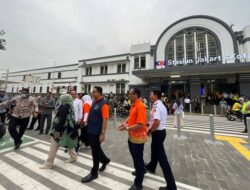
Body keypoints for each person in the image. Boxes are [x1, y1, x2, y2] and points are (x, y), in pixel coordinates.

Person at [145, 90, 177, 190]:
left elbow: (157, 122)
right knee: (154, 150)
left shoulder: (156, 106)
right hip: (161, 132)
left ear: (155, 96)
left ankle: (171, 186)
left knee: (162, 159)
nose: (149, 96)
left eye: (151, 94)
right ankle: (152, 166)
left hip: (158, 132)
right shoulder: (162, 105)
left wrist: (150, 130)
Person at [39, 94, 78, 169]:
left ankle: (49, 163)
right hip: (68, 129)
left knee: (54, 145)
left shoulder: (65, 106)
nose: (60, 99)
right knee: (68, 142)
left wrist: (58, 130)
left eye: (61, 98)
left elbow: (62, 119)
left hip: (61, 129)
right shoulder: (70, 105)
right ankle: (73, 156)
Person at [118, 88, 147, 190]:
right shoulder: (134, 104)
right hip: (132, 137)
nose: (128, 96)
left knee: (137, 159)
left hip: (138, 139)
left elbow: (141, 124)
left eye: (130, 94)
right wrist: (125, 123)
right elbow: (131, 116)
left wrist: (127, 128)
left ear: (136, 95)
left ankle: (138, 184)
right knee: (136, 158)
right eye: (128, 94)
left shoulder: (140, 106)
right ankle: (141, 170)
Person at [81, 86, 110, 183]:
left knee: (95, 152)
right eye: (92, 92)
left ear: (99, 93)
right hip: (90, 130)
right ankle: (105, 160)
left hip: (97, 132)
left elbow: (105, 119)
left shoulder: (104, 104)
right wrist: (86, 121)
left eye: (94, 92)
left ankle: (94, 173)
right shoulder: (94, 102)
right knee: (95, 148)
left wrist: (102, 134)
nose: (92, 94)